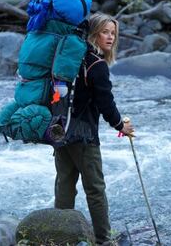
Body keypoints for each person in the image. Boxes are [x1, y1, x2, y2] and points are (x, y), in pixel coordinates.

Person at [53, 13, 134, 245]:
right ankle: (103, 240)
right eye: (105, 32)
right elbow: (105, 103)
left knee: (65, 183)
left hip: (59, 128)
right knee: (95, 189)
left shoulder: (71, 58)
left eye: (113, 33)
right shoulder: (97, 65)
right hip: (83, 134)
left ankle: (60, 237)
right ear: (94, 34)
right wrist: (122, 126)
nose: (110, 37)